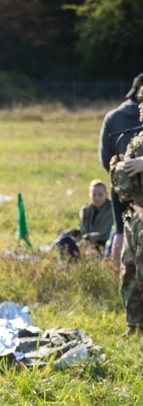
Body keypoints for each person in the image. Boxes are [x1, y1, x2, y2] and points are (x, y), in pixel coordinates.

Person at [99, 73, 143, 264]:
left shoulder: (113, 116)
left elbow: (105, 158)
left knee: (119, 233)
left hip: (122, 189)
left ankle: (116, 271)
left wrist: (121, 174)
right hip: (135, 200)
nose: (139, 107)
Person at [116, 89, 143, 335]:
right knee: (130, 270)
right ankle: (134, 324)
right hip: (134, 214)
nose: (141, 107)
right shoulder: (137, 138)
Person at [56, 180, 117, 259]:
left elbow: (110, 234)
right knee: (64, 240)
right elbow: (82, 230)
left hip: (104, 245)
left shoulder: (113, 210)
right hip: (85, 244)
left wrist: (90, 238)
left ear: (106, 194)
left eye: (100, 195)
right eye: (94, 195)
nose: (96, 198)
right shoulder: (86, 209)